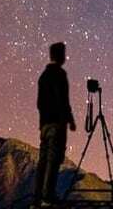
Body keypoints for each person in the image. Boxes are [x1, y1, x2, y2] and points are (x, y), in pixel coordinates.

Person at [33, 42, 76, 207]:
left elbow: (39, 103)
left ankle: (38, 196)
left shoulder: (43, 76)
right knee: (54, 158)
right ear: (60, 56)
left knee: (44, 160)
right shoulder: (59, 74)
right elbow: (63, 100)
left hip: (44, 124)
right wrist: (69, 120)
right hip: (57, 123)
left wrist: (43, 119)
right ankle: (48, 196)